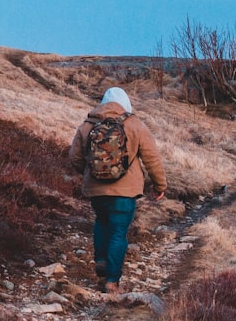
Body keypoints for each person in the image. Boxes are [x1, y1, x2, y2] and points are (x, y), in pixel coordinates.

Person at [69, 86, 166, 294]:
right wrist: (160, 185)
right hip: (125, 192)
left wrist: (91, 174)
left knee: (101, 222)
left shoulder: (87, 125)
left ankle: (101, 260)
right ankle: (112, 282)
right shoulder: (135, 125)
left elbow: (75, 158)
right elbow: (152, 159)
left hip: (96, 191)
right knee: (118, 233)